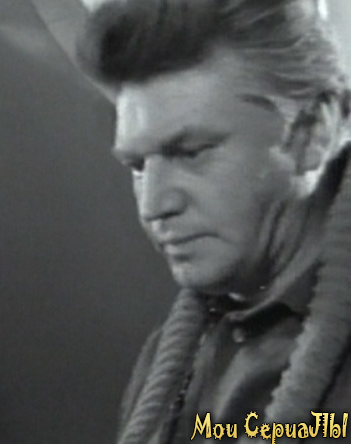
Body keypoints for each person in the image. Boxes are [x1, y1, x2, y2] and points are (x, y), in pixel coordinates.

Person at [75, 0, 351, 443]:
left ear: (311, 131)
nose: (153, 206)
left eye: (191, 153)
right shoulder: (171, 359)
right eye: (138, 167)